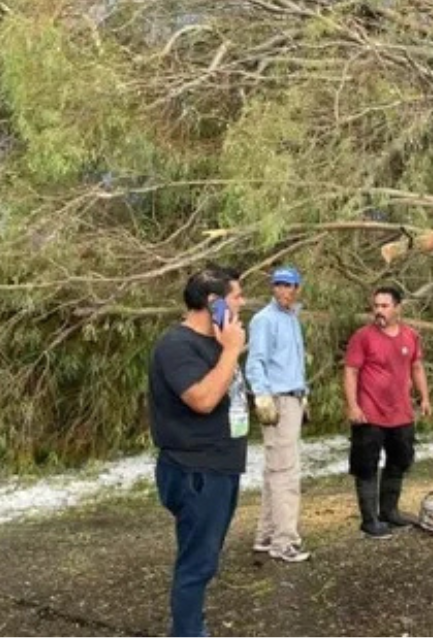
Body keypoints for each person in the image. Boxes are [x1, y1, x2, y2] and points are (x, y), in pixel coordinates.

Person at [147, 267, 248, 637]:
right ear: (213, 302)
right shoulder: (177, 345)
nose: (242, 303)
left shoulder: (215, 344)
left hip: (220, 465)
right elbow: (203, 399)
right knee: (197, 563)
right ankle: (187, 633)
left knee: (204, 559)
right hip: (196, 470)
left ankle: (190, 628)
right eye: (236, 296)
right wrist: (233, 350)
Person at [343, 286, 433, 539]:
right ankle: (369, 520)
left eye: (384, 306)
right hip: (369, 413)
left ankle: (389, 511)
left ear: (397, 308)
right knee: (366, 466)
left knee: (400, 462)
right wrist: (353, 405)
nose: (379, 311)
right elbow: (350, 371)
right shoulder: (363, 337)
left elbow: (416, 366)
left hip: (401, 413)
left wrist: (424, 398)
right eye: (376, 306)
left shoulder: (410, 336)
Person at [246, 266, 311, 563]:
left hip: (293, 397)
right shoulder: (264, 320)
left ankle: (266, 534)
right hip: (277, 401)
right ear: (273, 288)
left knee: (276, 469)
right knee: (286, 473)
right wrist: (262, 396)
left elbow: (291, 362)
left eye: (290, 286)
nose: (285, 291)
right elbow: (255, 362)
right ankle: (284, 541)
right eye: (279, 285)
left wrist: (303, 393)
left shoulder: (292, 319)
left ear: (297, 288)